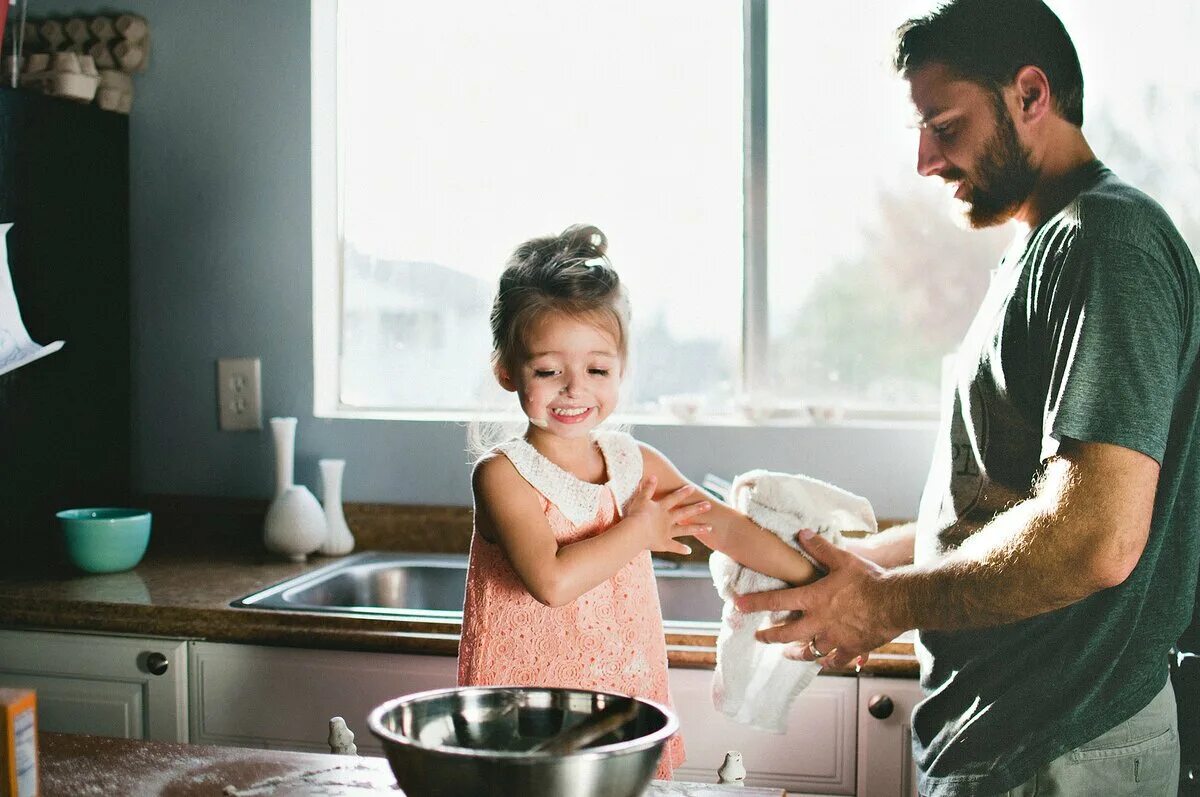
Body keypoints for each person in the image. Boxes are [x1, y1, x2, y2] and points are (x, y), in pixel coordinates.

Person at [736, 1, 1200, 795]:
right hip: (1012, 745)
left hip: (1060, 747)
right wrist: (849, 568)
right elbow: (1002, 505)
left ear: (1030, 94)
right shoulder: (1042, 249)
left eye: (944, 127)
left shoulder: (1105, 243)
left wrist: (883, 606)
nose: (923, 161)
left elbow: (1095, 534)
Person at [457, 223, 818, 779]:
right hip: (524, 711)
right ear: (507, 370)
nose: (575, 387)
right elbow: (550, 582)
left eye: (597, 369)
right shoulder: (504, 475)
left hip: (620, 695)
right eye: (549, 370)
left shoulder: (634, 464)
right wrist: (639, 532)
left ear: (621, 371)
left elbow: (722, 527)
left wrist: (815, 579)